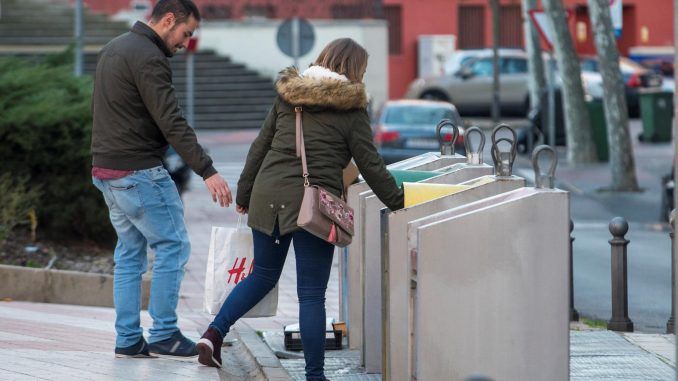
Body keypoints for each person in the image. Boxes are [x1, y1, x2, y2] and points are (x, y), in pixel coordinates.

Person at [196, 38, 404, 380]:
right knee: (310, 294)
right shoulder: (350, 109)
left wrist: (244, 194)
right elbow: (370, 164)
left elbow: (259, 147)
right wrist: (398, 201)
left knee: (262, 275)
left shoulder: (289, 96)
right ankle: (315, 375)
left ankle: (213, 333)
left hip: (268, 194)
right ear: (353, 70)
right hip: (313, 206)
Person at [90, 0, 233, 358]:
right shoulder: (148, 57)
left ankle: (127, 338)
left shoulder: (114, 48)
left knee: (129, 255)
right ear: (168, 20)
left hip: (107, 170)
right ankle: (165, 333)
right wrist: (208, 170)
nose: (186, 42)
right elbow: (171, 120)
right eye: (186, 33)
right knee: (173, 246)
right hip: (139, 172)